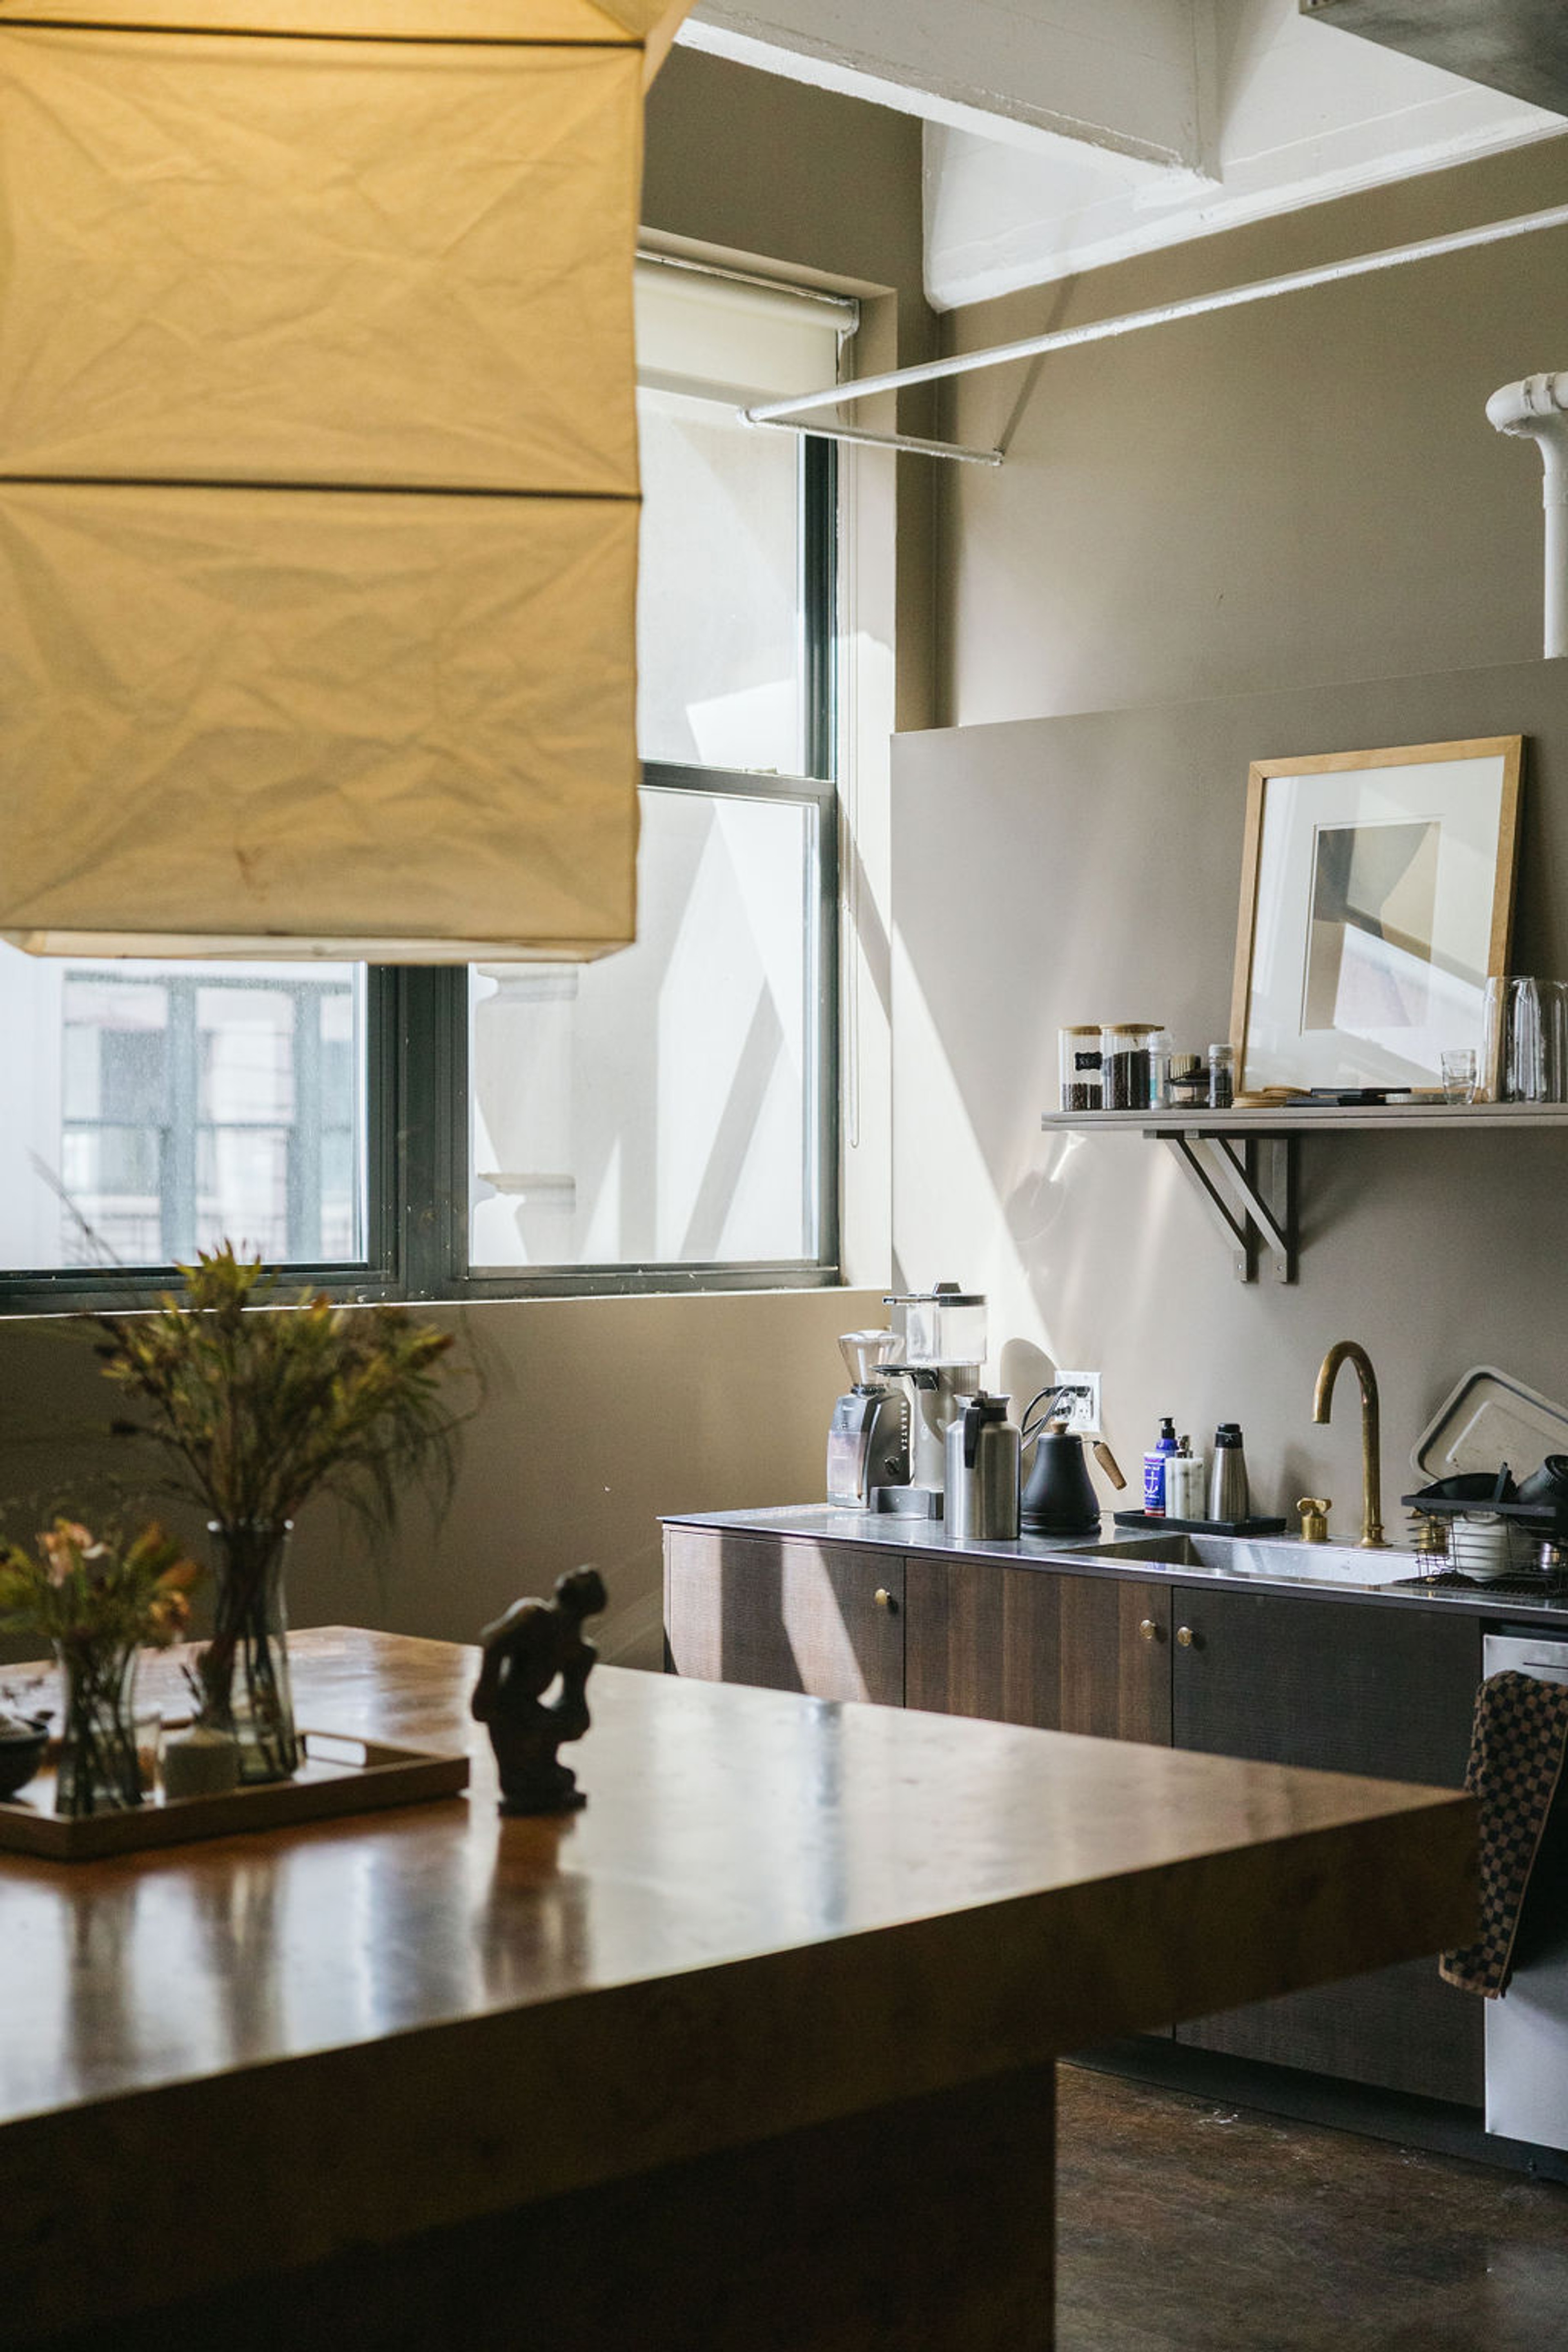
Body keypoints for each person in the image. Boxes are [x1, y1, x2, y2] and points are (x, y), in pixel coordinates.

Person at [470, 1566, 607, 1814]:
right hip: (506, 1709)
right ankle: (530, 1776)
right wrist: (486, 1695)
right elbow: (493, 1643)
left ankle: (539, 1773)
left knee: (556, 1780)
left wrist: (560, 1720)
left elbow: (576, 1714)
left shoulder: (579, 1651)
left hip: (533, 1715)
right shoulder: (534, 1617)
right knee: (520, 1783)